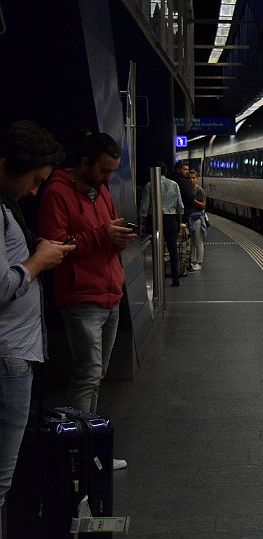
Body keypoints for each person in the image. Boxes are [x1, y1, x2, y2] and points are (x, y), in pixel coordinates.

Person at [36, 131, 134, 471]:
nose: (108, 179)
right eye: (104, 171)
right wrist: (102, 236)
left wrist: (117, 239)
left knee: (98, 374)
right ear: (84, 162)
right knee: (87, 375)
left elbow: (105, 233)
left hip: (110, 293)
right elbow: (56, 248)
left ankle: (89, 443)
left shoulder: (102, 191)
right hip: (81, 298)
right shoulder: (57, 194)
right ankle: (81, 454)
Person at [0, 121, 74, 524]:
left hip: (14, 354)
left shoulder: (7, 207)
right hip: (7, 355)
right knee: (1, 478)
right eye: (34, 180)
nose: (33, 191)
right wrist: (38, 261)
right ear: (13, 163)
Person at [138, 163, 184, 285]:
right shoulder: (174, 184)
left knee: (155, 249)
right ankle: (175, 278)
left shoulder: (149, 185)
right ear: (166, 171)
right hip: (171, 219)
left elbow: (145, 206)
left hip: (154, 220)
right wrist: (179, 222)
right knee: (173, 249)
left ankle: (157, 277)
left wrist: (142, 223)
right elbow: (180, 206)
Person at [187, 170, 207, 271]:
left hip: (198, 218)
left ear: (197, 179)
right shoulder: (188, 190)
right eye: (189, 178)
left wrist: (193, 200)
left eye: (193, 178)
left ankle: (199, 262)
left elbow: (203, 205)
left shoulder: (200, 191)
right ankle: (193, 261)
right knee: (192, 242)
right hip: (190, 219)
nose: (191, 180)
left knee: (198, 241)